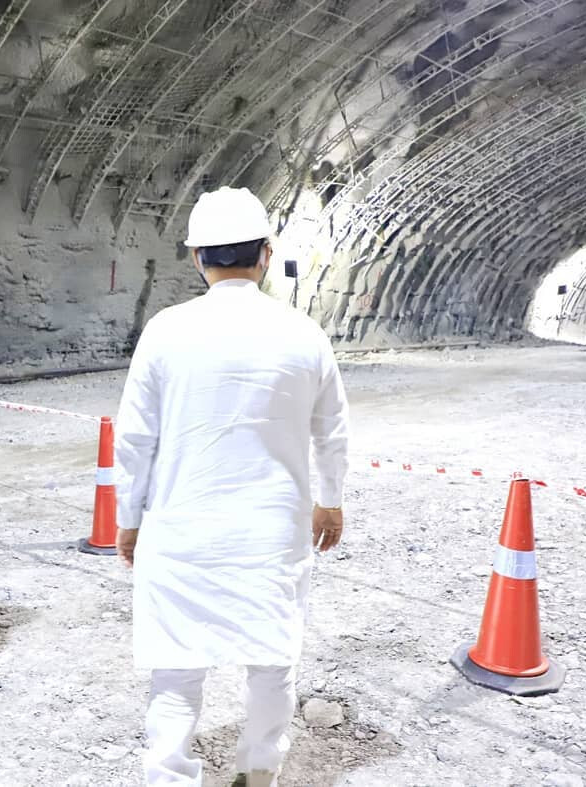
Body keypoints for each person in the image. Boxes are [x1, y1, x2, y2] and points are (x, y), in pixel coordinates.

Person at [114, 186, 350, 786]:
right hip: (273, 534)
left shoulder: (166, 331)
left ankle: (169, 776)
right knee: (273, 664)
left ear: (198, 259)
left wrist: (129, 518)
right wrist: (330, 500)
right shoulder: (304, 334)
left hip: (180, 530)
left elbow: (135, 439)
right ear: (266, 254)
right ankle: (259, 770)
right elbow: (332, 432)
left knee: (175, 673)